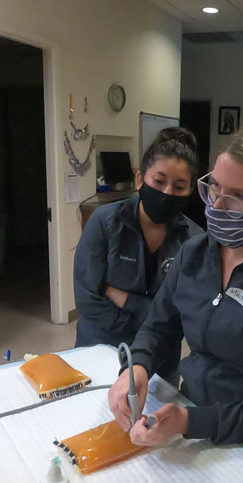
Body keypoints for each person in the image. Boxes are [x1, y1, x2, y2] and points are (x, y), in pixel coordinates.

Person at [107, 121, 243, 474]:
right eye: (214, 188)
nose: (217, 205)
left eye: (237, 196)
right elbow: (158, 327)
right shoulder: (194, 253)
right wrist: (136, 367)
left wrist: (189, 422)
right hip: (193, 424)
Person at [73, 128, 202, 382]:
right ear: (141, 179)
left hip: (159, 361)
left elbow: (181, 316)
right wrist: (151, 318)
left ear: (189, 191)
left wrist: (121, 297)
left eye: (179, 187)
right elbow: (88, 300)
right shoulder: (105, 223)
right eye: (159, 181)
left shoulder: (194, 240)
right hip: (100, 350)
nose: (167, 192)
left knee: (152, 420)